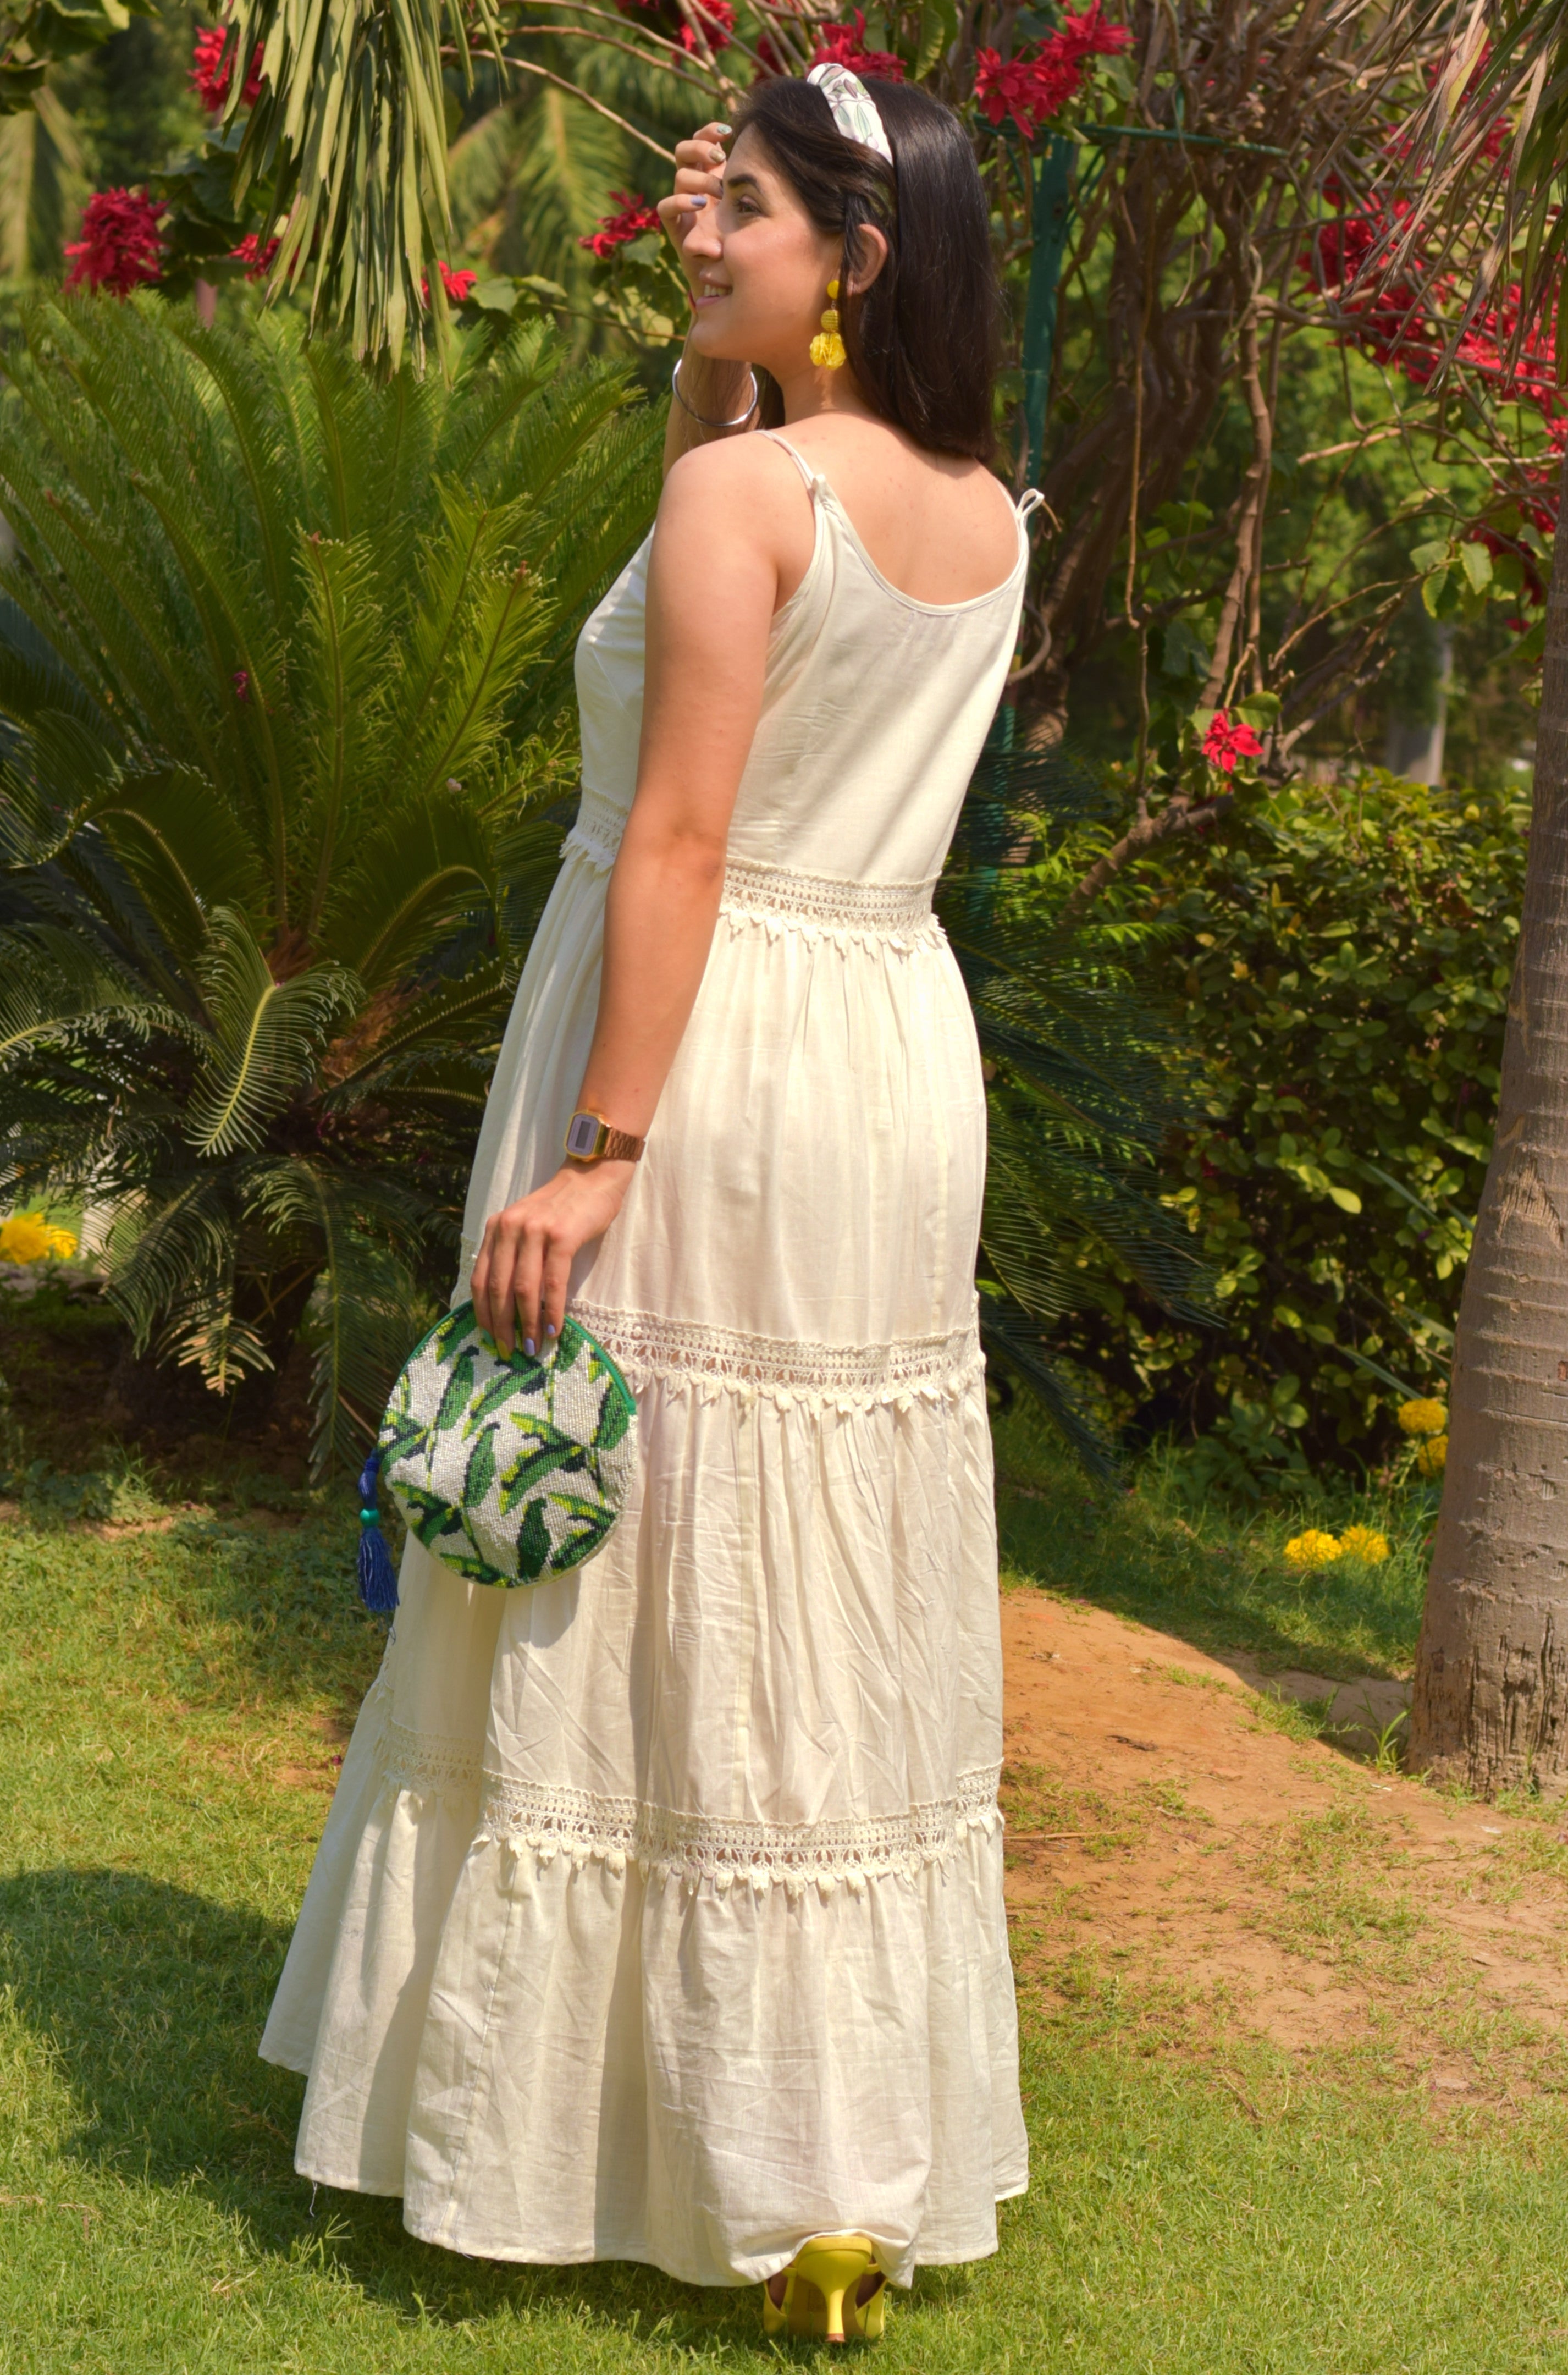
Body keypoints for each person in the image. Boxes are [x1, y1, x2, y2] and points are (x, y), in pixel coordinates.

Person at [261, 61, 1034, 2346]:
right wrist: (719, 352)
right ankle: (816, 2145)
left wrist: (598, 1156)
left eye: (744, 218)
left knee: (606, 1530)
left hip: (691, 1051)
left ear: (858, 258)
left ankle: (572, 2126)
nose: (693, 239)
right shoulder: (986, 507)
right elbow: (751, 628)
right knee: (804, 1574)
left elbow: (680, 836)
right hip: (883, 1043)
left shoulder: (748, 503)